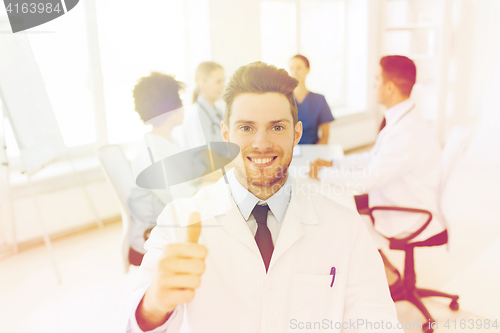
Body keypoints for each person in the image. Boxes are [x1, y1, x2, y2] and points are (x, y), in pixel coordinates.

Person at [123, 62, 403, 333]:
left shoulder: (343, 224)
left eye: (277, 127)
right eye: (246, 128)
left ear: (296, 134)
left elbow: (376, 320)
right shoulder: (179, 220)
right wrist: (155, 303)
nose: (261, 143)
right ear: (226, 135)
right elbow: (133, 323)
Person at [309, 55, 446, 291]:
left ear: (390, 87)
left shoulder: (406, 132)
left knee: (341, 216)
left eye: (376, 80)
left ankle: (389, 280)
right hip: (401, 194)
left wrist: (321, 175)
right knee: (342, 204)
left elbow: (366, 181)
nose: (373, 85)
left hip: (408, 210)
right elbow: (373, 157)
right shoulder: (402, 119)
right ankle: (388, 273)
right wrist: (334, 164)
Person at [128, 72, 196, 265]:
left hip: (170, 224)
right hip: (151, 241)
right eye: (180, 102)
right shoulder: (154, 153)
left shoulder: (167, 141)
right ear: (170, 110)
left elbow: (191, 175)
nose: (183, 107)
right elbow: (184, 200)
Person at [177, 61, 226, 148]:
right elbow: (205, 156)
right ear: (201, 84)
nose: (223, 85)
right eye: (218, 82)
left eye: (223, 81)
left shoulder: (218, 113)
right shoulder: (195, 115)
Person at [289, 54, 334, 144]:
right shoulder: (284, 100)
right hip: (289, 150)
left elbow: (325, 136)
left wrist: (313, 155)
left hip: (312, 149)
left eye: (299, 68)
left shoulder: (319, 100)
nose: (294, 72)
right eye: (291, 68)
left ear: (308, 70)